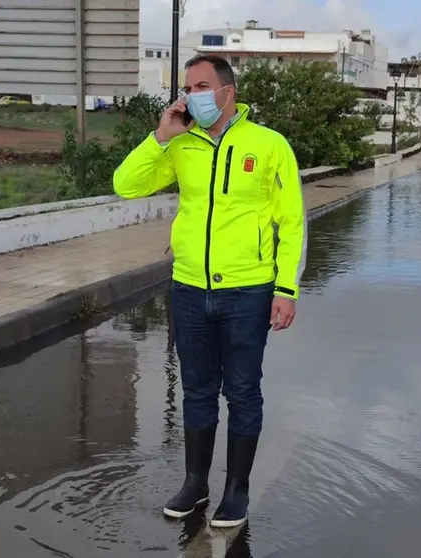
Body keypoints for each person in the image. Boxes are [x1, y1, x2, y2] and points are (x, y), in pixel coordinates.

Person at [113, 54, 306, 528]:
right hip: (189, 288)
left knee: (242, 391)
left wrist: (286, 289)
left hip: (248, 291)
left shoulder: (268, 145)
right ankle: (195, 483)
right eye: (187, 88)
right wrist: (161, 136)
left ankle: (236, 491)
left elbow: (292, 220)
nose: (190, 95)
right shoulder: (180, 145)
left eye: (201, 86)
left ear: (227, 91)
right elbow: (125, 185)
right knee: (197, 390)